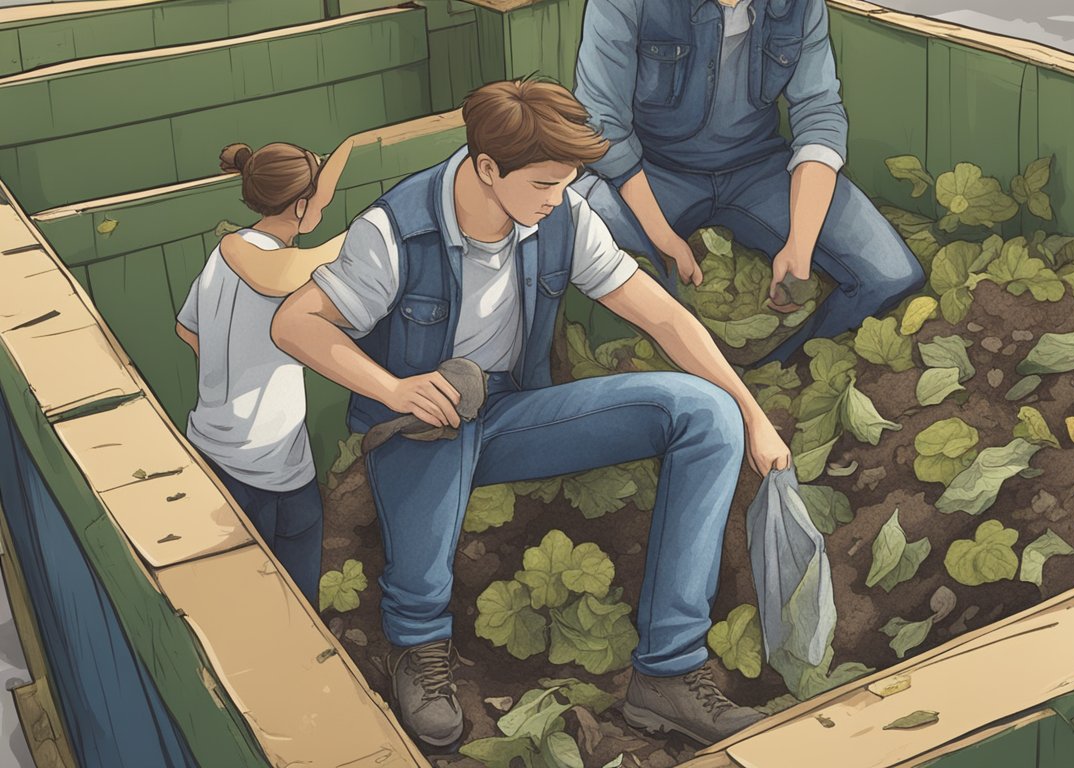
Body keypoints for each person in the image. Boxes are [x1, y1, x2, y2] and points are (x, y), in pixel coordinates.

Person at [269, 78, 791, 749]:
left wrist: (751, 414)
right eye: (544, 183)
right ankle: (418, 646)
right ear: (488, 168)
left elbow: (659, 312)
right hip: (415, 425)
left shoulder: (562, 216)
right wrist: (395, 389)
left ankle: (666, 673)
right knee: (448, 402)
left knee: (706, 413)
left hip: (516, 417)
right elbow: (294, 322)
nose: (557, 198)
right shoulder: (396, 231)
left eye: (564, 183)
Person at [573, 0, 925, 364]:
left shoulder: (800, 5)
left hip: (758, 168)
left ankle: (774, 370)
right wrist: (663, 238)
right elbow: (603, 126)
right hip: (653, 169)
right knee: (580, 223)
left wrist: (800, 246)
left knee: (891, 275)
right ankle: (678, 372)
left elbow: (818, 112)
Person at [174, 140, 348, 607]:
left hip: (215, 446)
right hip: (268, 461)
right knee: (294, 601)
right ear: (300, 205)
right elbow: (286, 274)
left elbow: (187, 328)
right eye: (321, 201)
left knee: (239, 601)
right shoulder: (272, 263)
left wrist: (232, 376)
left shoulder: (222, 258)